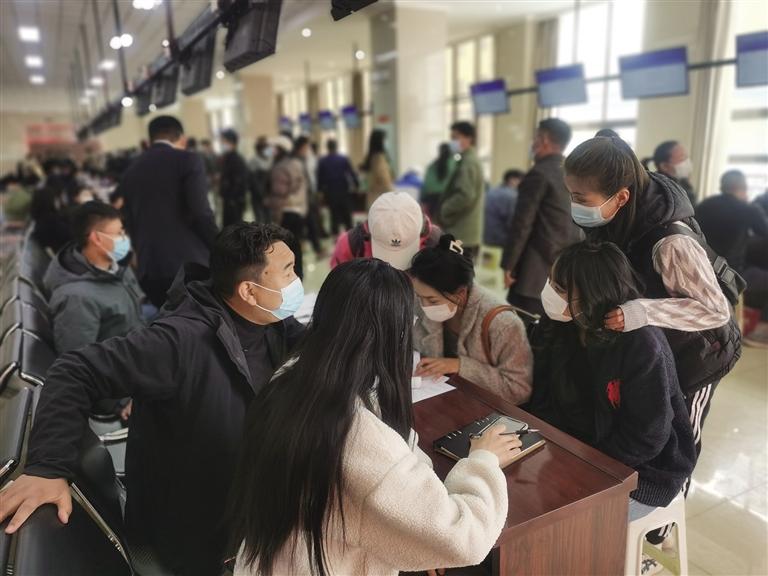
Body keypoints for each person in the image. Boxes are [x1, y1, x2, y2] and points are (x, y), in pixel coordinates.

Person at [0, 223, 305, 576]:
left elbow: (312, 344)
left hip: (245, 492)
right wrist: (48, 468)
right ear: (249, 291)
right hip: (198, 531)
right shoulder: (177, 342)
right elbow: (74, 371)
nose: (295, 280)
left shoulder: (269, 321)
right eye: (288, 271)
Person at [228, 258, 521, 576]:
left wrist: (420, 535)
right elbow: (465, 540)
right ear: (394, 332)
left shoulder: (290, 377)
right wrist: (483, 461)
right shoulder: (358, 441)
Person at [564, 135, 740, 462]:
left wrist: (641, 311)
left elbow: (715, 310)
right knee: (650, 423)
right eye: (570, 194)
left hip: (702, 350)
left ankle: (676, 487)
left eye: (579, 197)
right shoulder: (619, 214)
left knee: (679, 443)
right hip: (661, 342)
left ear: (621, 196)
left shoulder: (671, 242)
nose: (573, 204)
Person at [528, 241, 696, 521]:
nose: (550, 293)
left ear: (592, 295)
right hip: (575, 449)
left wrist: (585, 464)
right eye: (551, 281)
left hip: (641, 471)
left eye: (560, 288)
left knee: (563, 522)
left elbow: (647, 437)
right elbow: (544, 391)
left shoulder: (641, 345)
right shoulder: (563, 322)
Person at [410, 234, 532, 404]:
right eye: (419, 296)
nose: (423, 306)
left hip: (482, 407)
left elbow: (518, 389)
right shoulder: (424, 300)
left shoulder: (503, 323)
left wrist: (459, 366)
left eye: (432, 300)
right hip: (440, 398)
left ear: (460, 293)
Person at [117, 115, 218, 308]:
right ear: (181, 138)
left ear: (150, 140)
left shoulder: (131, 170)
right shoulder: (188, 160)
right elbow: (200, 211)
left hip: (150, 268)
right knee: (199, 322)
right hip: (190, 265)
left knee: (167, 322)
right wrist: (219, 246)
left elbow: (129, 220)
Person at [502, 118, 581, 316]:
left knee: (523, 325)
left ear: (543, 140)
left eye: (535, 137)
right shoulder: (573, 173)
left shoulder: (539, 174)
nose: (533, 142)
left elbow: (522, 224)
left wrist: (509, 265)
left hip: (534, 272)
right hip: (565, 270)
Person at [43, 201, 143, 355]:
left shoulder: (116, 266)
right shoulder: (76, 299)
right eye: (118, 234)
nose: (124, 239)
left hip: (138, 341)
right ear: (96, 238)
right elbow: (78, 360)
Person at [330, 191, 441, 270]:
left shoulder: (437, 244)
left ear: (420, 231)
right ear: (369, 231)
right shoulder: (349, 245)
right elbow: (339, 285)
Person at [696, 170, 768, 273]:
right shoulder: (747, 209)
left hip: (701, 264)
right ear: (744, 187)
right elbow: (765, 231)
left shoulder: (704, 205)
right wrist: (750, 205)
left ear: (722, 187)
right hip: (730, 272)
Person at [438, 121, 485, 261]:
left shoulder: (468, 163)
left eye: (456, 137)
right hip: (466, 232)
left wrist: (444, 209)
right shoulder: (468, 160)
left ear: (469, 138)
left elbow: (465, 195)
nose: (453, 141)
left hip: (462, 232)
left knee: (457, 271)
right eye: (452, 137)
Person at [269, 135, 308, 279]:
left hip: (285, 210)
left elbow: (279, 191)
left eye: (274, 149)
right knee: (296, 246)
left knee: (286, 248)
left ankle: (289, 278)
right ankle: (299, 276)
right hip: (298, 210)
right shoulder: (296, 164)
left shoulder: (280, 167)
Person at [317, 139, 359, 235]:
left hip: (330, 191)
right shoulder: (343, 159)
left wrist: (319, 190)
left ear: (327, 147)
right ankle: (350, 234)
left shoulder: (323, 161)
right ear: (336, 147)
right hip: (343, 189)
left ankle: (335, 235)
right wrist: (356, 184)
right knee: (346, 213)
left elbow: (320, 178)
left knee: (334, 214)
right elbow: (351, 173)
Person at [642, 141, 696, 206]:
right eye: (682, 158)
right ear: (664, 166)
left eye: (686, 157)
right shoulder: (660, 191)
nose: (687, 162)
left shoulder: (683, 184)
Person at [484, 169, 523, 248]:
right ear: (513, 180)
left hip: (484, 237)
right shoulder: (512, 196)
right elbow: (512, 222)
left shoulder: (490, 191)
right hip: (499, 240)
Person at [219, 129, 250, 227]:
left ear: (231, 142)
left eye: (224, 141)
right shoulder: (227, 157)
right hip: (229, 199)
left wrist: (232, 198)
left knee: (233, 227)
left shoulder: (236, 159)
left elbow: (240, 182)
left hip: (234, 201)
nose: (222, 144)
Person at [420, 143, 455, 219]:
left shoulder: (432, 165)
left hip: (432, 200)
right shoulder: (454, 163)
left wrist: (423, 199)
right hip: (448, 198)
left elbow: (426, 185)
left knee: (435, 223)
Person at [360, 128, 394, 209]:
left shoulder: (371, 158)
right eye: (385, 140)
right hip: (382, 202)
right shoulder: (379, 159)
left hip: (373, 200)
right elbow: (384, 180)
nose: (387, 142)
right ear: (380, 141)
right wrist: (395, 196)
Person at [248, 136, 273, 223]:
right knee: (260, 220)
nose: (270, 150)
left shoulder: (270, 160)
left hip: (269, 196)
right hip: (258, 196)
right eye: (267, 148)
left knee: (269, 220)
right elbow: (254, 183)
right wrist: (263, 197)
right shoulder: (254, 161)